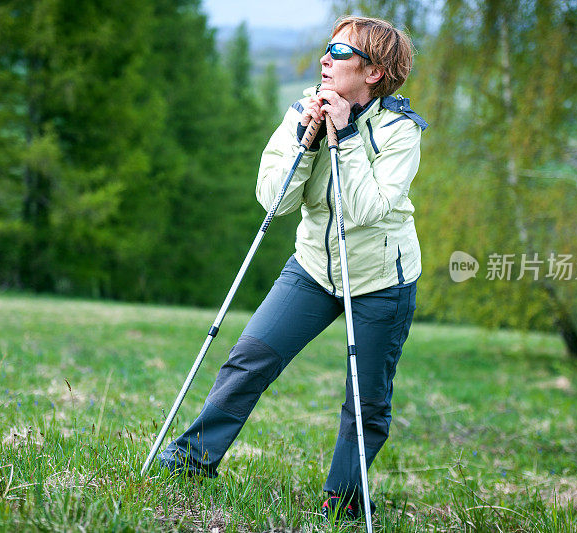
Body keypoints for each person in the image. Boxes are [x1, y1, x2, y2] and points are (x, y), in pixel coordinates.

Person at [159, 15, 427, 521]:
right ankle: (189, 463)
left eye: (340, 52)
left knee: (366, 400)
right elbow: (273, 201)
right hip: (312, 268)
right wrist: (305, 142)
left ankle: (345, 498)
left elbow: (366, 208)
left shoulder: (401, 132)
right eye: (327, 49)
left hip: (381, 281)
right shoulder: (303, 109)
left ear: (374, 72)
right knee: (249, 358)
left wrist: (344, 139)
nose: (325, 60)